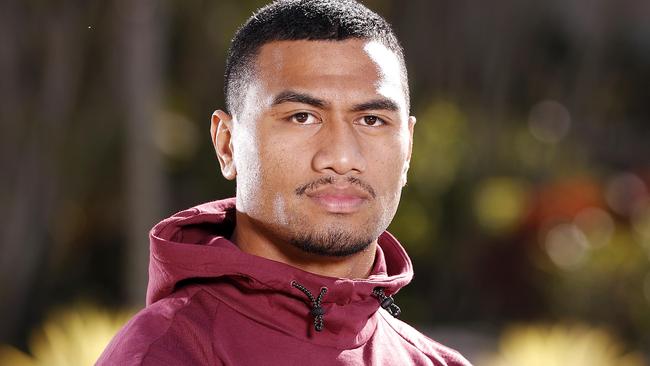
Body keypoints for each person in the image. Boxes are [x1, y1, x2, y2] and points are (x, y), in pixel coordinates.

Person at [97, 0, 472, 365]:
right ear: (227, 145)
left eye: (372, 120)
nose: (341, 158)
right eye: (302, 117)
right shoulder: (165, 354)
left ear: (407, 150)